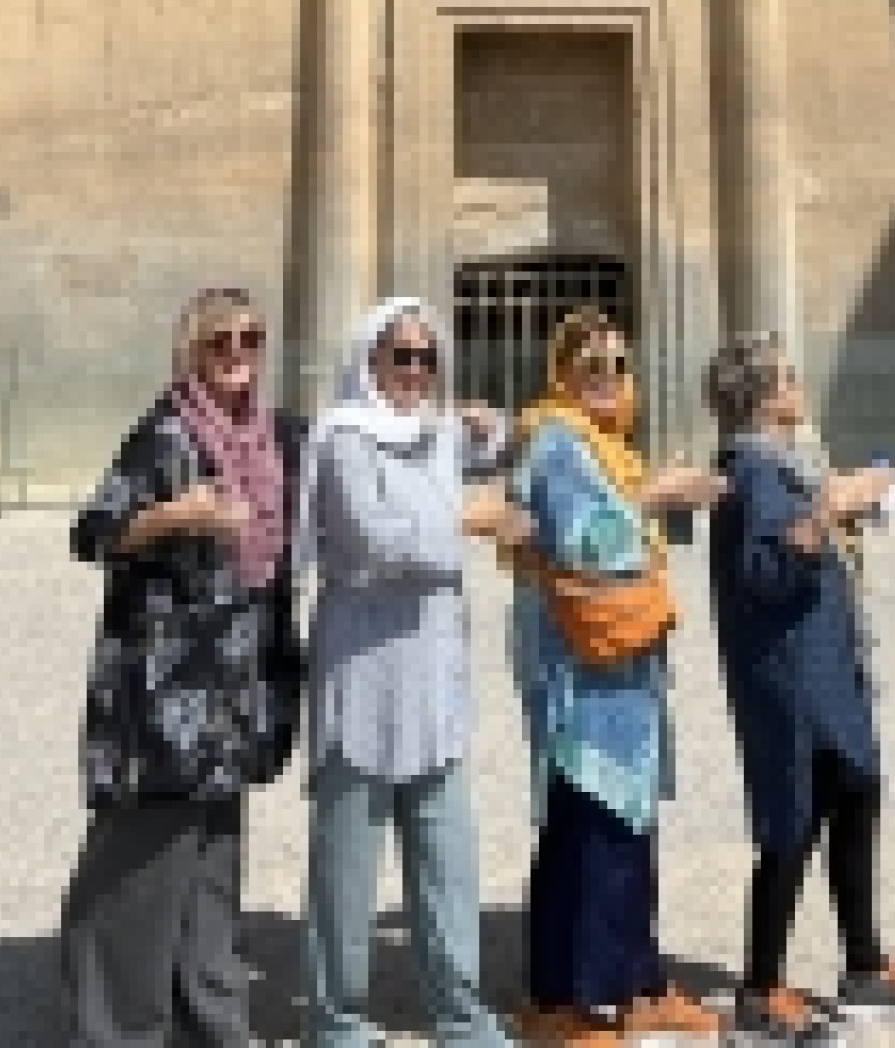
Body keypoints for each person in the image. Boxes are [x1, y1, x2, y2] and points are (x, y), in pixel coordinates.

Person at [61, 285, 304, 1048]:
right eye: (219, 341)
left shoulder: (277, 435)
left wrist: (485, 432)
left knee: (213, 860)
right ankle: (120, 1029)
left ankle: (211, 1019)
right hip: (165, 686)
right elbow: (91, 532)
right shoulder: (164, 433)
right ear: (190, 353)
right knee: (146, 859)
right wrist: (173, 516)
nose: (237, 354)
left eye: (250, 339)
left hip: (239, 681)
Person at [297, 294, 526, 1048]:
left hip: (433, 679)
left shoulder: (435, 432)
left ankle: (459, 1012)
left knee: (447, 861)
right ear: (371, 361)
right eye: (404, 356)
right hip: (363, 672)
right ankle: (337, 1017)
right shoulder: (346, 437)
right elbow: (370, 538)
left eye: (430, 357)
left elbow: (493, 449)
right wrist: (463, 520)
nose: (418, 371)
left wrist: (492, 427)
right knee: (346, 866)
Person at [704, 334, 895, 1034]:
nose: (797, 384)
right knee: (794, 816)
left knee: (856, 793)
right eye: (787, 377)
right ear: (762, 397)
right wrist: (827, 512)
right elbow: (764, 572)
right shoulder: (752, 471)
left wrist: (852, 501)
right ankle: (760, 990)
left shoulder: (787, 463)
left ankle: (863, 964)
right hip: (789, 675)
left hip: (826, 666)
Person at [507, 308, 728, 1047]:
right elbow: (587, 542)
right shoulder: (555, 441)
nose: (606, 378)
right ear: (562, 373)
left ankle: (636, 983)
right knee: (588, 827)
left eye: (617, 365)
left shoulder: (609, 447)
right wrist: (656, 498)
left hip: (621, 670)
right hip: (582, 672)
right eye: (590, 366)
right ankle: (566, 1004)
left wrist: (659, 493)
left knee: (625, 828)